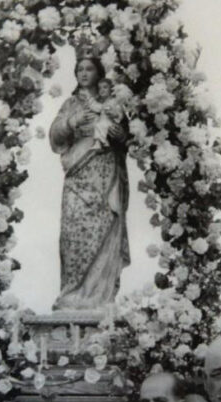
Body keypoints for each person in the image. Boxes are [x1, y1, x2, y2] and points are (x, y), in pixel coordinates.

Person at [49, 55, 130, 311]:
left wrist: (120, 135)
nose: (83, 73)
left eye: (89, 69)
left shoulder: (113, 102)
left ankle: (99, 296)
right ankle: (71, 293)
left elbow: (127, 137)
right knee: (73, 233)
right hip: (77, 172)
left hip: (105, 171)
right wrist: (72, 122)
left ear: (99, 72)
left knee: (105, 226)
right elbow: (55, 136)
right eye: (79, 69)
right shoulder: (71, 103)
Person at [89, 78, 123, 152]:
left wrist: (116, 115)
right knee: (97, 124)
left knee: (100, 125)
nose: (102, 90)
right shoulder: (105, 102)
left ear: (111, 89)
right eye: (100, 88)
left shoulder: (114, 101)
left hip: (111, 122)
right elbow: (98, 108)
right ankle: (102, 143)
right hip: (104, 121)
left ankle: (102, 142)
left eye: (105, 87)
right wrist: (91, 101)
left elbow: (120, 112)